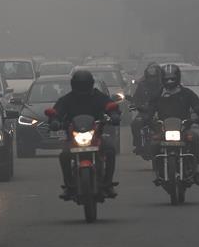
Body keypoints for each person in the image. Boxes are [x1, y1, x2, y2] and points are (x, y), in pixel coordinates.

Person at [48, 69, 121, 199]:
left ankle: (108, 183)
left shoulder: (98, 96)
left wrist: (114, 115)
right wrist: (54, 120)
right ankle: (69, 186)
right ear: (73, 84)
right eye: (79, 84)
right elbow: (57, 111)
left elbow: (109, 105)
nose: (82, 87)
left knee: (110, 150)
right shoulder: (67, 99)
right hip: (74, 139)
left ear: (90, 84)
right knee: (64, 155)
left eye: (85, 84)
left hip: (96, 137)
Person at [144, 64, 199, 185]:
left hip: (183, 129)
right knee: (154, 143)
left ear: (177, 78)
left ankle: (195, 169)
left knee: (193, 137)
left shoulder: (187, 93)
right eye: (167, 79)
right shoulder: (158, 95)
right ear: (162, 79)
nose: (169, 81)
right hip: (163, 130)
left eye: (172, 78)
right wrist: (147, 119)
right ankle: (158, 171)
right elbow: (150, 110)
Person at [131, 63, 163, 152]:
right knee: (135, 124)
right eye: (150, 77)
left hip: (162, 112)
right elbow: (136, 97)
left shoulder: (164, 86)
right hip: (145, 112)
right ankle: (138, 145)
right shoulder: (142, 85)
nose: (152, 79)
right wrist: (134, 104)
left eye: (154, 77)